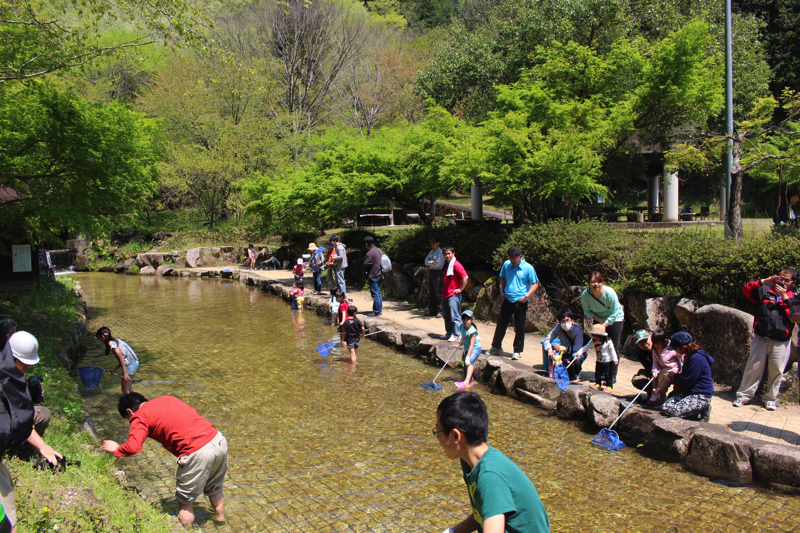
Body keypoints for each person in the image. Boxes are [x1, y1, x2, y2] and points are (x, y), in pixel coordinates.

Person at [101, 393, 228, 526]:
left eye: (128, 419)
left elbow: (134, 447)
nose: (130, 422)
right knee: (215, 487)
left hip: (197, 451)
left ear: (129, 411)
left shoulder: (139, 416)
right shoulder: (167, 399)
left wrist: (117, 449)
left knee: (185, 501)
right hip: (218, 440)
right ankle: (220, 521)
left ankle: (187, 528)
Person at [434, 391, 550, 533]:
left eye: (437, 431)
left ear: (455, 436)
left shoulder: (490, 476)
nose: (437, 438)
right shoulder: (471, 460)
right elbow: (485, 509)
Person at [1, 332, 62, 532]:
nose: (26, 368)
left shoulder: (10, 373)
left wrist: (43, 446)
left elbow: (21, 419)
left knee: (42, 413)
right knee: (7, 520)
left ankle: (19, 453)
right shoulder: (5, 382)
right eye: (23, 364)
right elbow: (16, 419)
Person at [733, 268, 797, 410]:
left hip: (781, 340)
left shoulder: (795, 298)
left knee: (776, 371)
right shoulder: (765, 291)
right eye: (780, 278)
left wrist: (785, 297)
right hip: (761, 336)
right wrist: (764, 281)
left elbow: (794, 316)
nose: (782, 282)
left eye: (786, 280)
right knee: (753, 367)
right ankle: (744, 396)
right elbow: (746, 288)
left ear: (793, 282)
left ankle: (770, 398)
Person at [489, 247, 539, 361]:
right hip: (507, 298)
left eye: (514, 259)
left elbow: (535, 284)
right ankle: (496, 346)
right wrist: (501, 291)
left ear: (520, 256)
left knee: (520, 326)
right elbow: (502, 278)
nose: (512, 261)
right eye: (511, 259)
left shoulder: (528, 268)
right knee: (501, 323)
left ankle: (517, 351)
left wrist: (526, 296)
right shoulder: (507, 264)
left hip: (520, 300)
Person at [580, 271, 624, 383]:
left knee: (612, 346)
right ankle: (600, 375)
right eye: (593, 281)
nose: (596, 284)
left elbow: (615, 312)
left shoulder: (609, 293)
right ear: (589, 283)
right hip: (599, 318)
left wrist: (604, 325)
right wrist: (599, 321)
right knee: (598, 345)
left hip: (615, 319)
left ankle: (612, 376)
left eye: (598, 282)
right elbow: (587, 311)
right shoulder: (586, 295)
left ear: (602, 282)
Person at [662, 332, 714, 422]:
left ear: (684, 347)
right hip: (689, 393)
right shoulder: (688, 356)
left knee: (674, 411)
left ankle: (705, 408)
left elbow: (688, 381)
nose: (675, 350)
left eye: (676, 348)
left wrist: (675, 375)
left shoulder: (696, 359)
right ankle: (693, 412)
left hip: (700, 395)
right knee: (665, 407)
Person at [540, 309, 585, 381]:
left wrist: (562, 348)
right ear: (559, 322)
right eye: (563, 321)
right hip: (564, 353)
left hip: (576, 352)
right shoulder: (558, 327)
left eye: (568, 320)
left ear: (572, 320)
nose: (566, 323)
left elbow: (577, 348)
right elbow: (547, 340)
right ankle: (555, 368)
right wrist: (549, 350)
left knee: (576, 356)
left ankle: (577, 371)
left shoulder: (578, 329)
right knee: (547, 351)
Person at [573, 324, 618, 391]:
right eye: (593, 335)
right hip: (599, 361)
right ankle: (598, 384)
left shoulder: (608, 341)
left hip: (607, 362)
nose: (594, 337)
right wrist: (579, 353)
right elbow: (586, 347)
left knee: (607, 374)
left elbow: (612, 350)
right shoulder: (593, 341)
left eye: (596, 336)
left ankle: (609, 386)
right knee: (598, 373)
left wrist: (615, 359)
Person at [95, 327, 139, 395]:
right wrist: (114, 370)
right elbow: (123, 359)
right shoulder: (115, 340)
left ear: (102, 336)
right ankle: (140, 403)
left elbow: (121, 358)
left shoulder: (111, 344)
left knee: (125, 390)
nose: (100, 340)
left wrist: (125, 372)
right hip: (134, 362)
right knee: (129, 388)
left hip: (130, 365)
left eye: (99, 338)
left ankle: (129, 404)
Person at [441, 247, 468, 343]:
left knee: (455, 316)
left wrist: (461, 289)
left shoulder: (456, 265)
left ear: (453, 253)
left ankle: (456, 334)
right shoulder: (447, 264)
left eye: (449, 253)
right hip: (445, 294)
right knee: (446, 315)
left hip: (453, 295)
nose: (447, 256)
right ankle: (449, 333)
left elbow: (465, 277)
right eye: (445, 254)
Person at [648, 329, 681, 404]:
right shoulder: (655, 350)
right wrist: (654, 371)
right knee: (660, 389)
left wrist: (681, 369)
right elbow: (655, 362)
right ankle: (662, 404)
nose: (658, 346)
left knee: (662, 386)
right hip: (663, 370)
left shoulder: (672, 347)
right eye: (656, 344)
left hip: (673, 369)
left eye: (659, 344)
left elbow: (680, 357)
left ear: (665, 341)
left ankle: (658, 390)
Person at [457, 310, 481, 390]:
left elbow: (472, 345)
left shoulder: (473, 331)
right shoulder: (461, 326)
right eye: (464, 319)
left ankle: (466, 382)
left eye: (468, 319)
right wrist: (461, 340)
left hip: (475, 348)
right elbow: (462, 334)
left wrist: (468, 356)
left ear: (472, 320)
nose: (465, 321)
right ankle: (471, 379)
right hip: (467, 348)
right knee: (466, 365)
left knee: (469, 361)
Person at [362, 235, 384, 317]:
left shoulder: (369, 253)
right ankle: (378, 309)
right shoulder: (379, 250)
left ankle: (377, 311)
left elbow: (366, 263)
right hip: (379, 273)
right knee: (378, 293)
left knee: (375, 294)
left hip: (373, 274)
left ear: (367, 243)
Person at [424, 237, 445, 317]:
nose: (432, 245)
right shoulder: (431, 252)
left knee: (438, 292)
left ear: (438, 243)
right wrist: (431, 262)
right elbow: (425, 261)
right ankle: (432, 310)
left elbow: (437, 265)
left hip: (438, 273)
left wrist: (431, 263)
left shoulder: (441, 252)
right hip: (431, 272)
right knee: (431, 292)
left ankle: (440, 310)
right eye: (431, 243)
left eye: (434, 243)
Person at [632, 330, 655, 399]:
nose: (645, 344)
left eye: (645, 340)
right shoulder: (641, 354)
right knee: (637, 379)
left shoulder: (659, 347)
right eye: (641, 343)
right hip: (653, 373)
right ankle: (651, 391)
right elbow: (648, 369)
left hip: (667, 372)